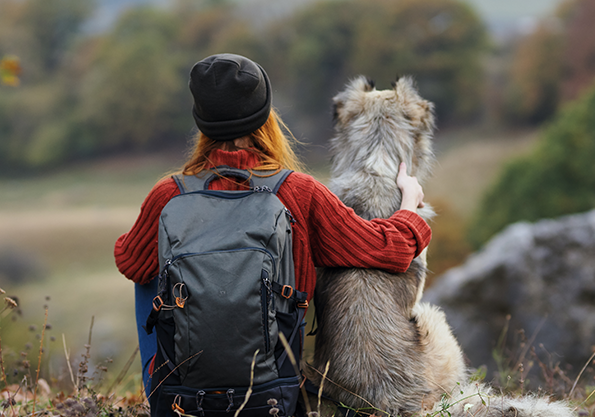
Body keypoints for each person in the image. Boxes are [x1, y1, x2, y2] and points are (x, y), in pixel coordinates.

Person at [113, 53, 431, 398]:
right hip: (273, 392)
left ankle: (158, 387)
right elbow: (390, 251)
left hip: (186, 396)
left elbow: (129, 262)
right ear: (266, 116)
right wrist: (409, 205)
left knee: (146, 272)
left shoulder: (168, 195)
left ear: (201, 121)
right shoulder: (299, 192)